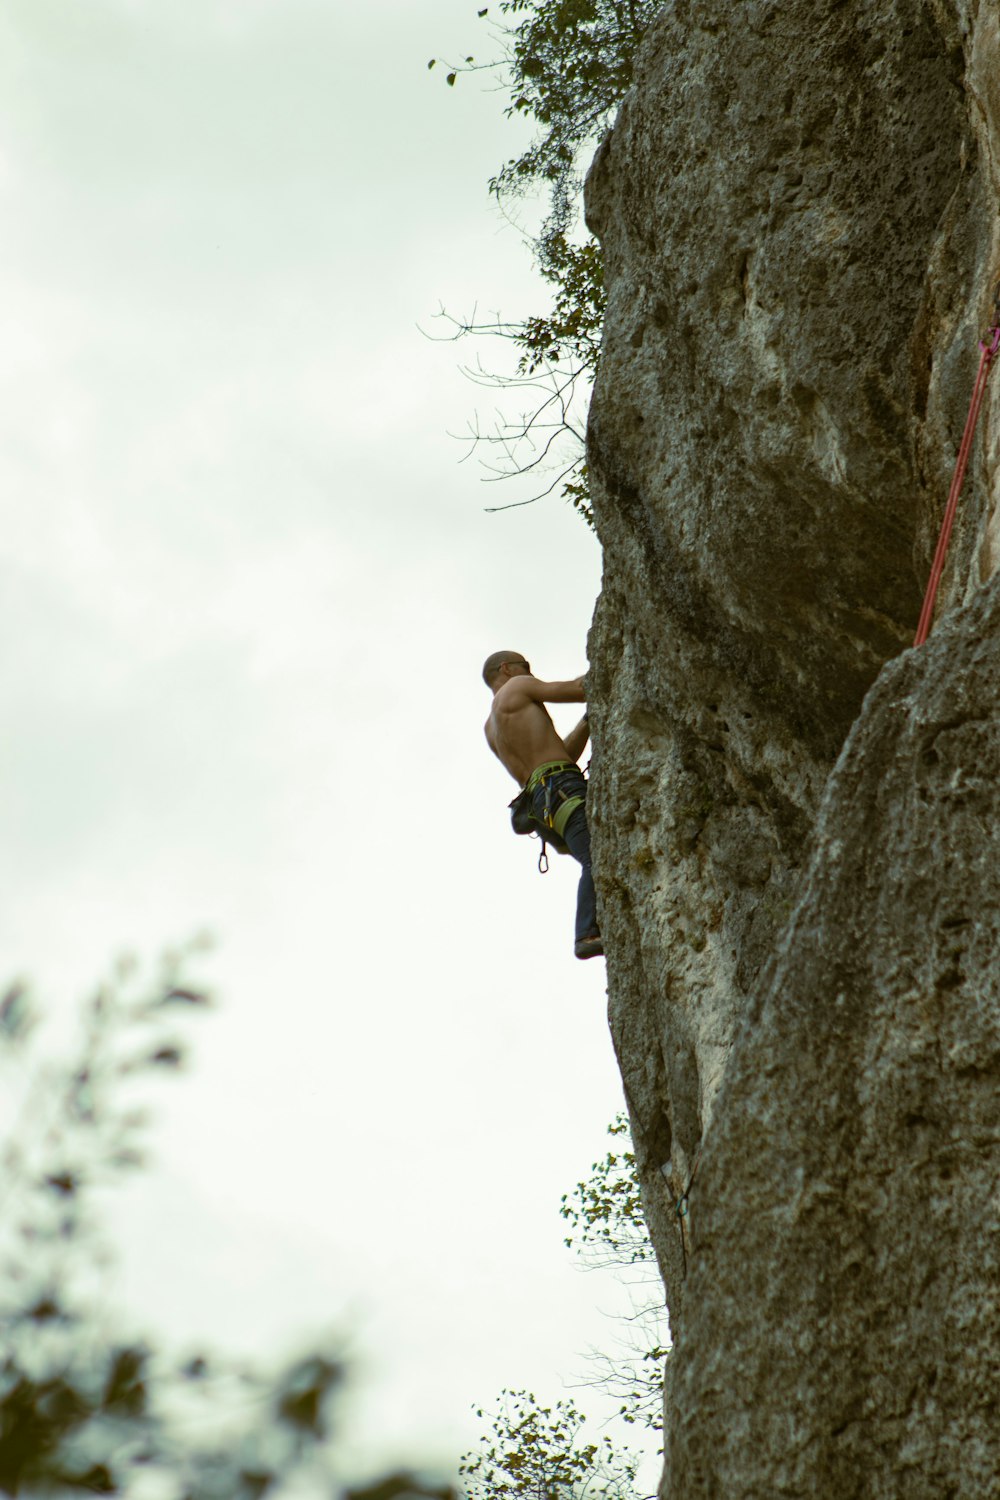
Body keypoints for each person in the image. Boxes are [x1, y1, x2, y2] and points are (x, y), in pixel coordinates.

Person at [482, 650, 603, 961]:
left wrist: (590, 721)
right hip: (561, 788)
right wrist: (609, 664)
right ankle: (587, 933)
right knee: (597, 857)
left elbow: (559, 755)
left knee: (595, 854)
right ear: (507, 668)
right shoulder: (518, 686)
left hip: (542, 803)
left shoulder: (490, 729)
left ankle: (592, 927)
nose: (530, 673)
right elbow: (578, 690)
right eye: (526, 667)